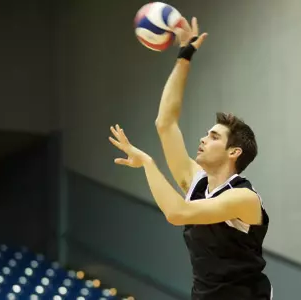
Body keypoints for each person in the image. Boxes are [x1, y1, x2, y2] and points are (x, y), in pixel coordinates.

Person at [108, 16, 272, 300]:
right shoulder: (196, 183)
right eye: (206, 134)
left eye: (214, 137)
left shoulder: (244, 198)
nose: (203, 139)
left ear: (234, 152)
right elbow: (165, 123)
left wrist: (148, 163)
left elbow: (177, 214)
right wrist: (185, 55)